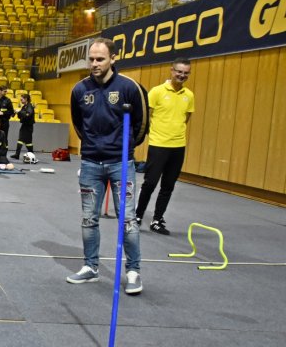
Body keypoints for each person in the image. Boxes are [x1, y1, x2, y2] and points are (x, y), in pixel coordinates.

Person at [67, 37, 147, 295]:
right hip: (90, 163)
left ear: (113, 58)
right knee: (89, 219)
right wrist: (93, 144)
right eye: (91, 59)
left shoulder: (129, 88)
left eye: (100, 59)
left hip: (121, 163)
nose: (94, 64)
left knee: (128, 220)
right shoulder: (80, 90)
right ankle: (90, 267)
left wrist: (124, 147)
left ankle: (133, 271)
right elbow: (79, 124)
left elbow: (141, 123)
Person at [135, 58, 195, 235]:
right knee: (150, 183)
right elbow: (147, 116)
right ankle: (137, 216)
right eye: (179, 72)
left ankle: (157, 220)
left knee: (168, 185)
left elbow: (186, 118)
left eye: (186, 73)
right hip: (158, 145)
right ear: (172, 70)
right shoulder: (157, 92)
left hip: (178, 146)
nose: (182, 75)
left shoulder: (189, 95)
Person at [12, 93, 35, 161]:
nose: (21, 100)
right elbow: (21, 116)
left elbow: (28, 114)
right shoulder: (24, 107)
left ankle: (17, 154)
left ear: (26, 99)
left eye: (22, 99)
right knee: (28, 142)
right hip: (25, 125)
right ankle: (31, 154)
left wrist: (20, 112)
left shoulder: (29, 106)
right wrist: (18, 112)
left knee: (21, 140)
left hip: (28, 126)